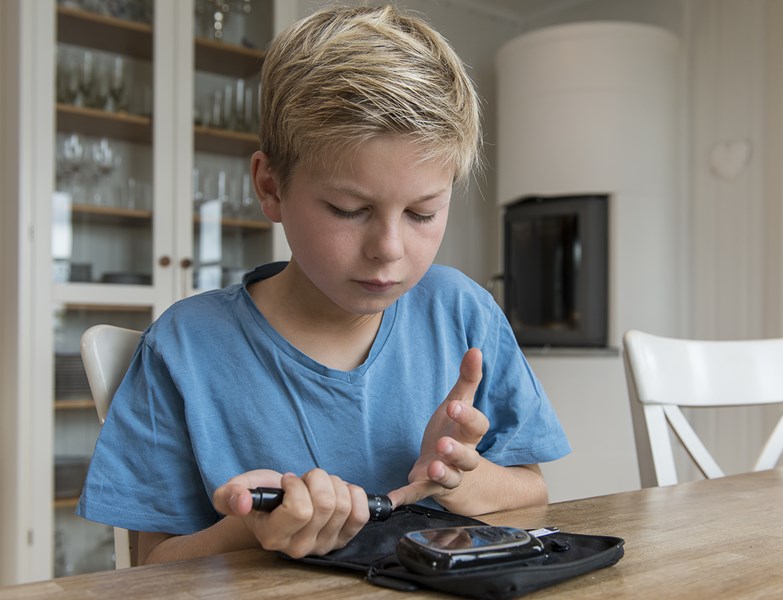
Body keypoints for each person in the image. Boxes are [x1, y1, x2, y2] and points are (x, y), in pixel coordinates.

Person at [77, 3, 570, 565]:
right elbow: (151, 567)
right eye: (347, 208)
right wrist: (249, 531)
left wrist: (461, 479)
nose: (389, 247)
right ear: (270, 187)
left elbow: (533, 492)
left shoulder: (463, 313)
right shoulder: (185, 349)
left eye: (422, 212)